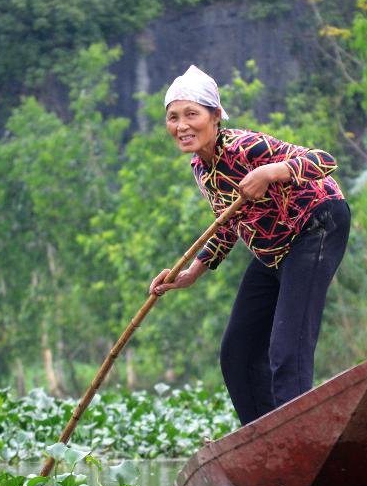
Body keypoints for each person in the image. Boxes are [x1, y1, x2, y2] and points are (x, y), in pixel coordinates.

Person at [150, 65, 350, 425]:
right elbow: (227, 225)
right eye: (173, 117)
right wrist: (191, 273)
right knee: (237, 352)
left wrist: (270, 172)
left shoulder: (247, 146)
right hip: (273, 250)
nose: (181, 126)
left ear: (215, 117)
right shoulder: (201, 167)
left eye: (191, 115)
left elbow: (325, 161)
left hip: (316, 225)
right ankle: (263, 440)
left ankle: (296, 436)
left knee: (286, 349)